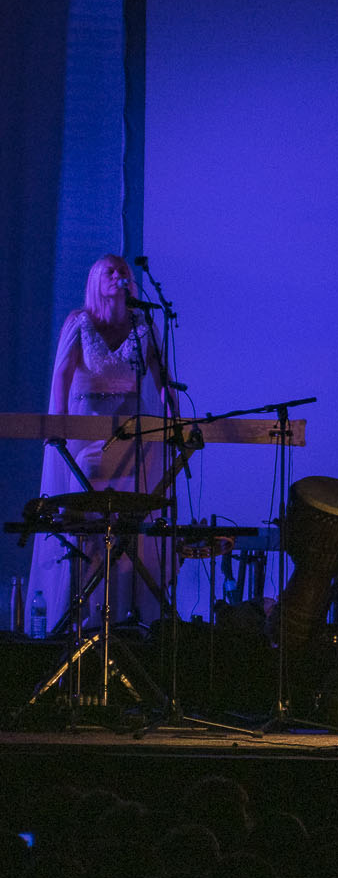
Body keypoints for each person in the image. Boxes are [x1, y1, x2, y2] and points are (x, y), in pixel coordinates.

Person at [29, 253, 178, 630]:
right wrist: (58, 428)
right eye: (110, 272)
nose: (119, 277)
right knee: (92, 517)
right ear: (96, 279)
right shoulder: (80, 322)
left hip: (133, 436)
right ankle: (85, 612)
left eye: (123, 272)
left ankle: (131, 614)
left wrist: (175, 418)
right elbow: (62, 375)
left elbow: (161, 377)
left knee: (134, 515)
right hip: (88, 435)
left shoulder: (143, 322)